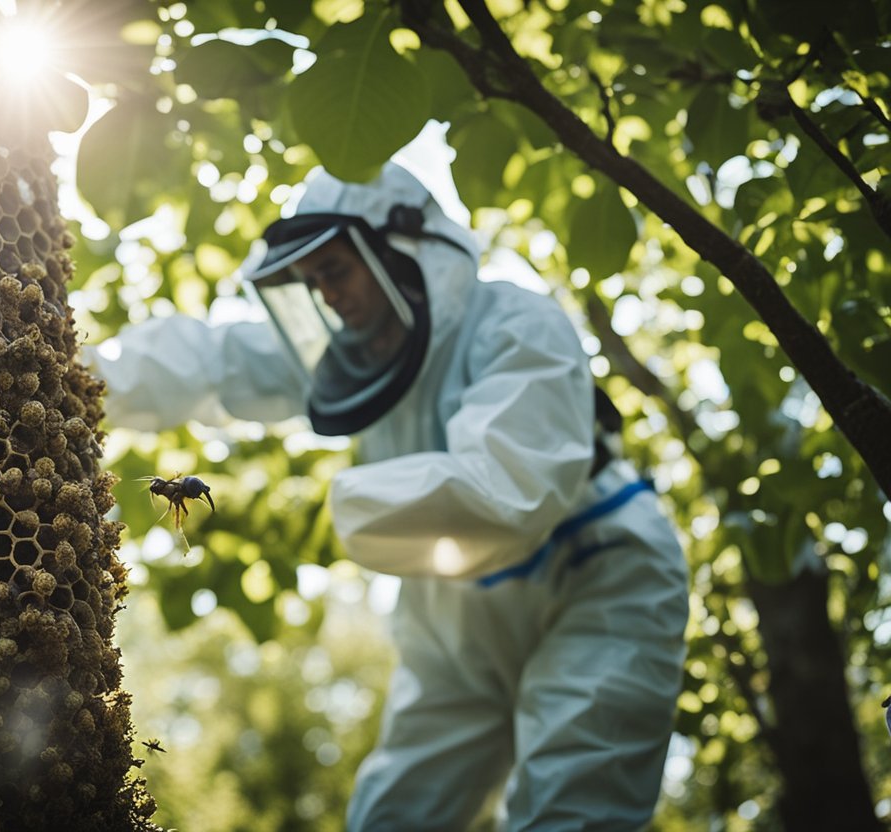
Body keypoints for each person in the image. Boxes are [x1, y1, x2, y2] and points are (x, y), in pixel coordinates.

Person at [89, 163, 689, 830]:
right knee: (395, 815)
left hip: (598, 568)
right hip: (450, 603)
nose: (329, 295)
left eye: (337, 271)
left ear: (400, 249)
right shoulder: (351, 351)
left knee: (572, 813)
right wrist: (76, 375)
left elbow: (508, 495)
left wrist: (328, 511)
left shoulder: (516, 323)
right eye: (313, 282)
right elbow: (213, 360)